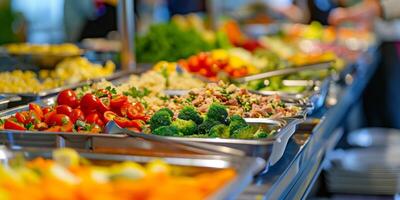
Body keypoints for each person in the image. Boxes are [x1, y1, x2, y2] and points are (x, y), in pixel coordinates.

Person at [329, 0, 400, 128]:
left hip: (390, 40)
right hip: (379, 40)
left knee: (388, 109)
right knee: (374, 110)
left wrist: (364, 12)